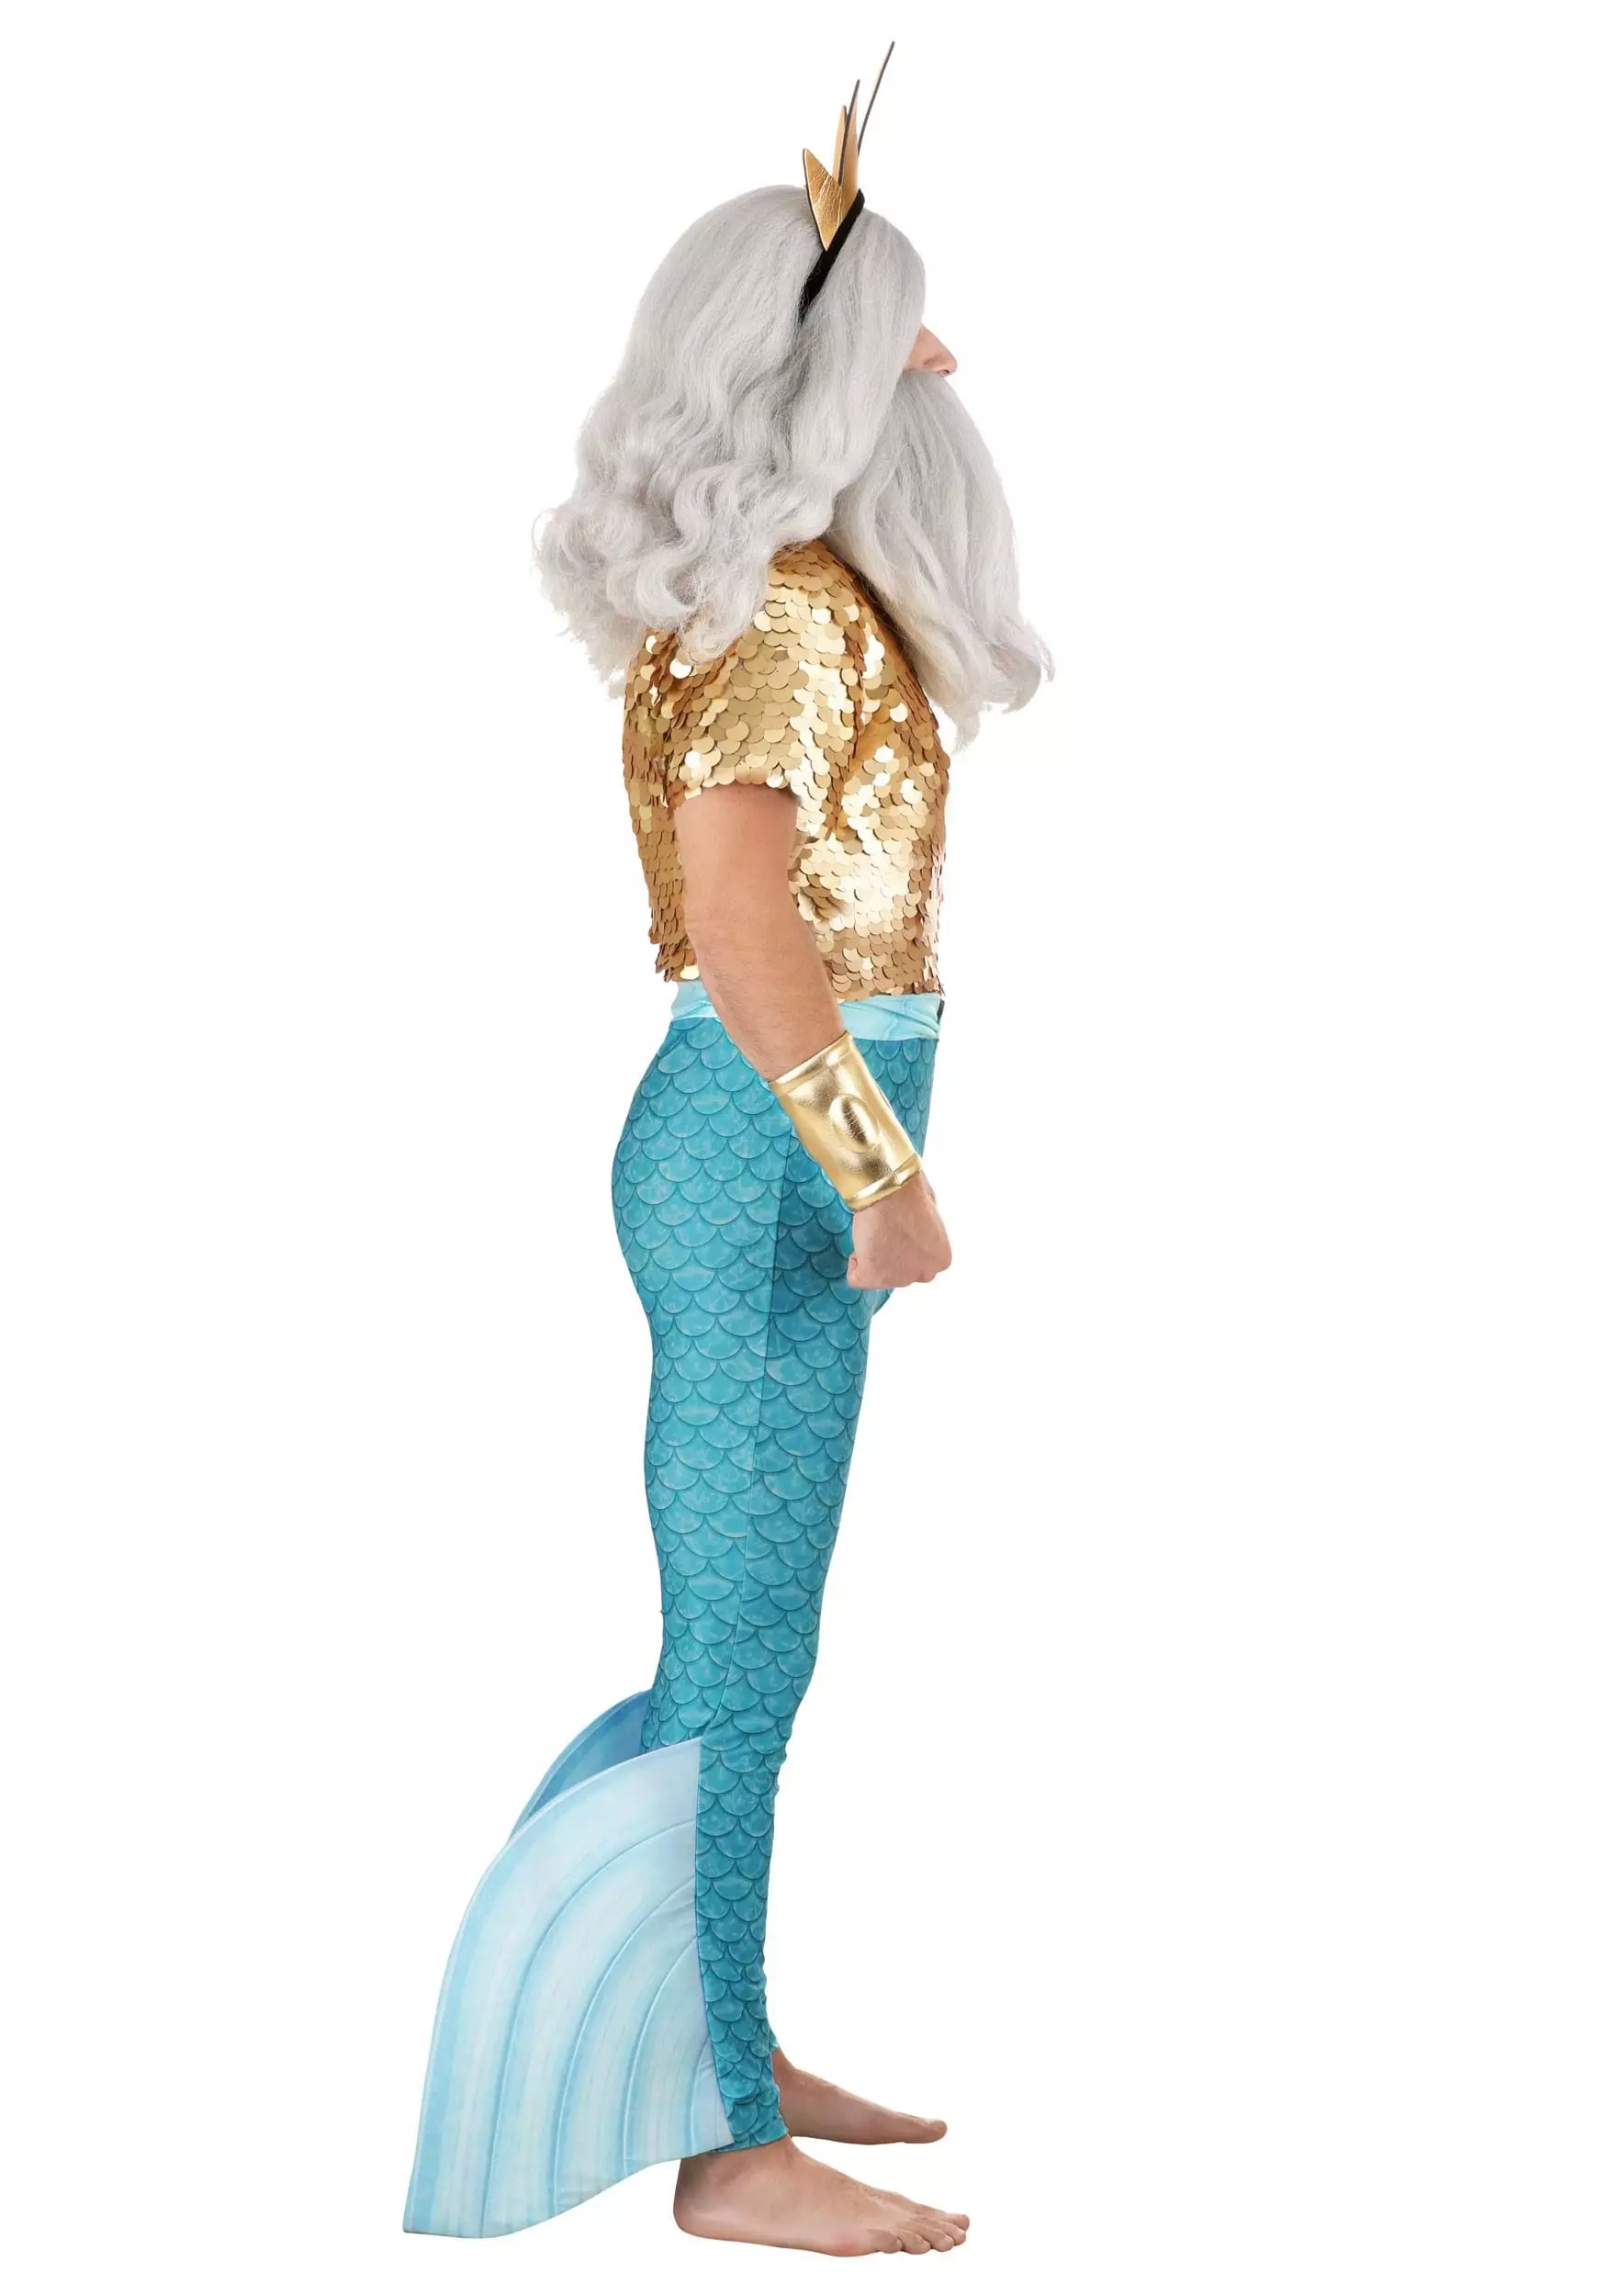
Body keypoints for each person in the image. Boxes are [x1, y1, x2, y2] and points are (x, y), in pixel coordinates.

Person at [403, 54, 1049, 2258]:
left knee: (751, 1641)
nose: (938, 367)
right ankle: (721, 2141)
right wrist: (876, 1167)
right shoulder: (775, 609)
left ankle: (728, 2045)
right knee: (740, 1653)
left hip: (759, 1141)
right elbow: (746, 912)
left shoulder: (779, 589)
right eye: (902, 337)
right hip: (770, 1142)